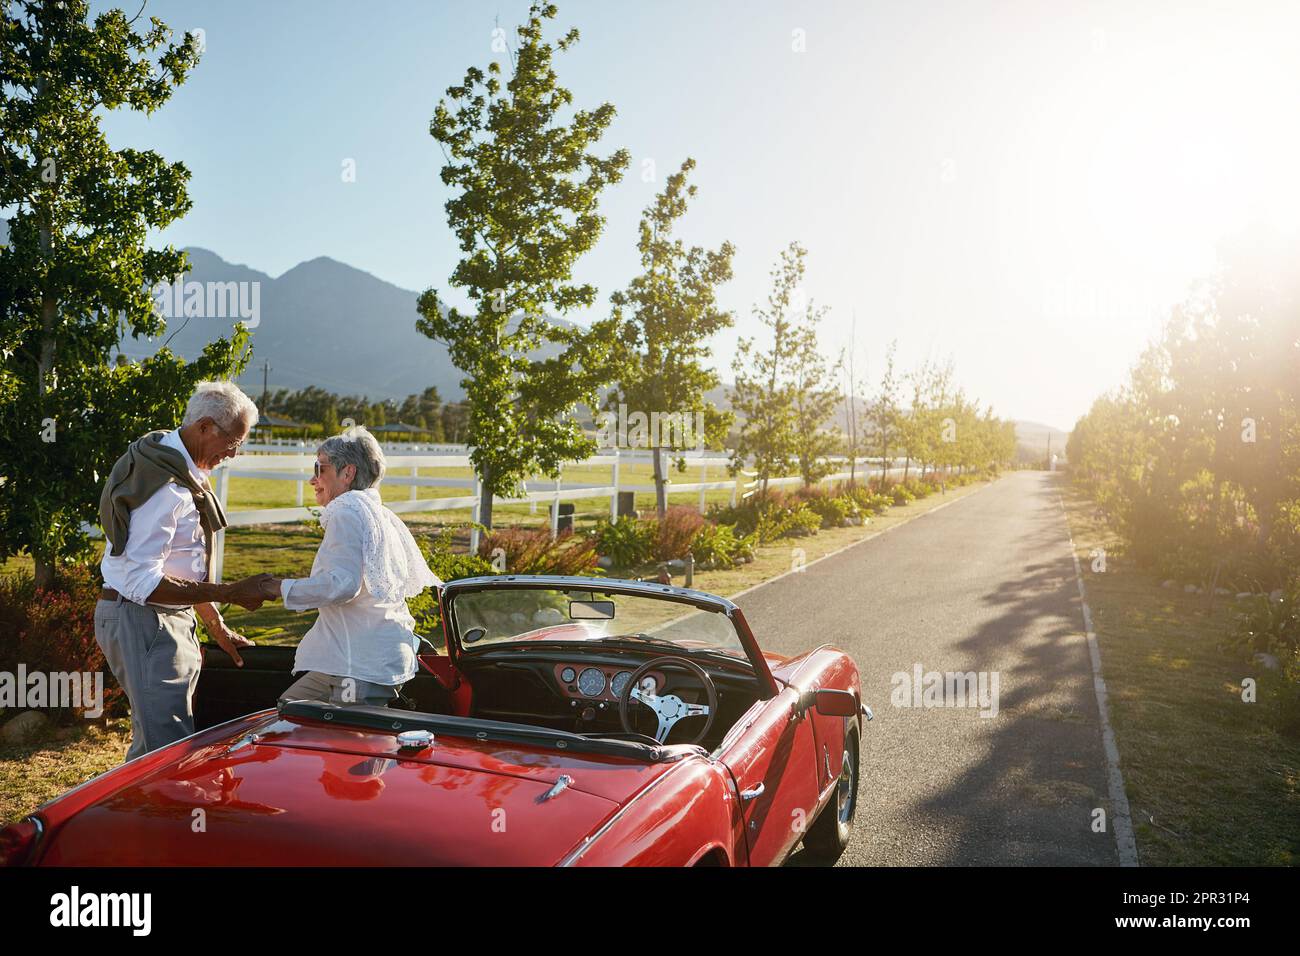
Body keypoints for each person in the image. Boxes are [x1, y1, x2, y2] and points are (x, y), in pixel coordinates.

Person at [97, 381, 275, 762]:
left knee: (155, 745)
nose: (234, 453)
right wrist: (227, 592)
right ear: (206, 427)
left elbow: (182, 563)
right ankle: (153, 819)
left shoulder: (176, 465)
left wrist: (214, 624)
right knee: (167, 750)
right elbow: (142, 581)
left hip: (158, 617)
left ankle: (139, 819)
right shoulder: (165, 487)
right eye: (234, 441)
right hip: (143, 618)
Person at [267, 426, 441, 708]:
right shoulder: (378, 513)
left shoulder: (347, 510)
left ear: (347, 473)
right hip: (351, 659)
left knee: (351, 745)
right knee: (290, 711)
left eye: (320, 468)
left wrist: (276, 588)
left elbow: (343, 584)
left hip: (358, 665)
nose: (313, 479)